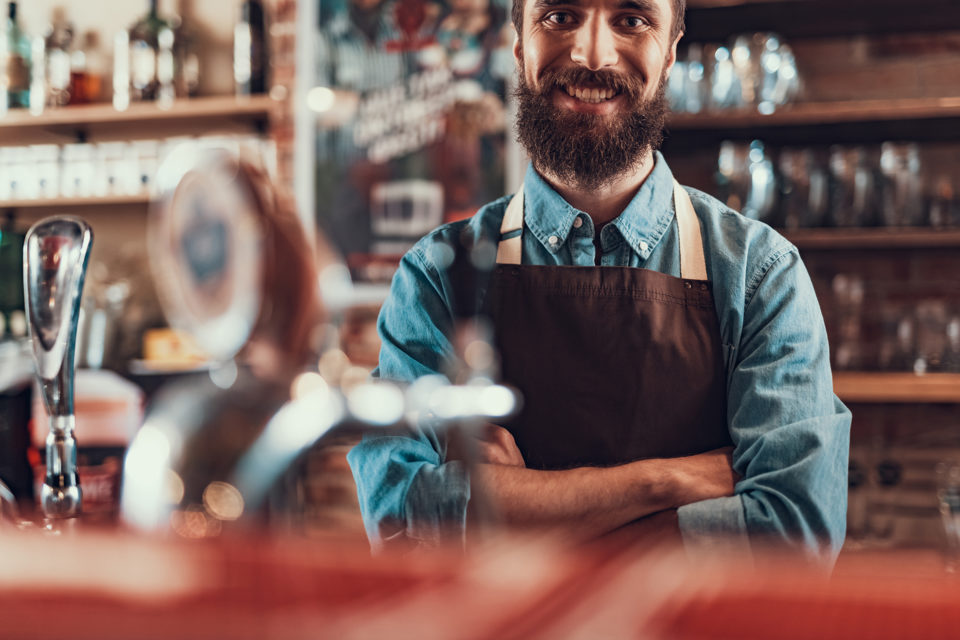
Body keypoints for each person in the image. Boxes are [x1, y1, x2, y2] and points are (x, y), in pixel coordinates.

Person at [347, 0, 851, 560]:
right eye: (559, 16)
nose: (591, 54)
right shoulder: (437, 277)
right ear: (518, 46)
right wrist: (664, 483)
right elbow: (399, 521)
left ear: (669, 55)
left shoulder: (758, 273)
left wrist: (510, 517)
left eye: (632, 19)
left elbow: (794, 535)